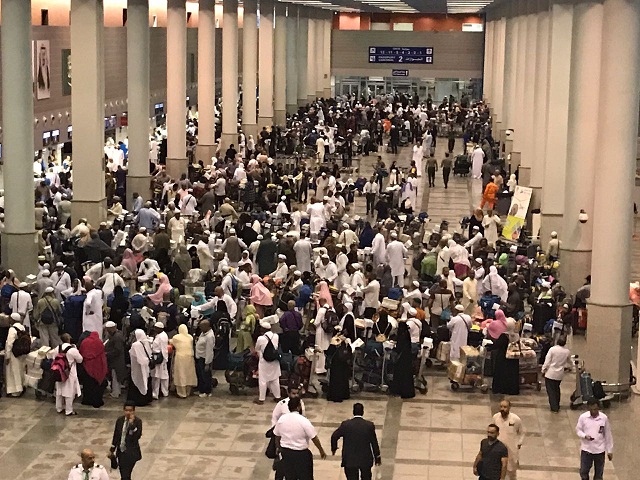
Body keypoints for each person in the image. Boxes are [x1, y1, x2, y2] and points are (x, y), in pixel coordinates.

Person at [274, 396, 327, 480]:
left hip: (286, 453)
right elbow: (314, 437)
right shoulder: (303, 420)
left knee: (290, 476)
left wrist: (278, 448)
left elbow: (277, 436)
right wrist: (321, 450)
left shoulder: (282, 419)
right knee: (306, 476)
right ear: (298, 407)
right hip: (301, 454)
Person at [331, 403, 381, 480]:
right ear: (363, 412)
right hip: (365, 459)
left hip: (350, 459)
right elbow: (374, 442)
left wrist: (334, 448)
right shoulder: (369, 426)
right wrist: (377, 457)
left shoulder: (346, 425)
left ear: (353, 411)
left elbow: (334, 436)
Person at [576, 398, 614, 480]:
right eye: (591, 409)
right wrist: (584, 436)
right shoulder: (583, 417)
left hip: (599, 450)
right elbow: (578, 430)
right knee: (584, 471)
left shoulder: (604, 418)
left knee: (599, 474)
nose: (593, 411)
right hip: (586, 449)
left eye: (595, 409)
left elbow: (608, 434)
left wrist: (609, 450)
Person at [492, 399, 524, 480]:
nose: (502, 409)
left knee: (511, 470)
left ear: (509, 407)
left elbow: (521, 432)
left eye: (505, 407)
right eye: (501, 406)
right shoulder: (495, 417)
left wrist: (519, 443)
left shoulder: (516, 419)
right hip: (498, 447)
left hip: (511, 448)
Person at [488, 318, 520, 395]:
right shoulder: (516, 335)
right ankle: (512, 389)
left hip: (503, 358)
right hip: (513, 358)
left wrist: (488, 346)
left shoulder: (504, 335)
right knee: (512, 374)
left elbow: (498, 345)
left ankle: (500, 389)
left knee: (501, 374)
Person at [542, 336, 573, 413]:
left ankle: (554, 407)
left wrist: (543, 370)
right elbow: (570, 362)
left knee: (551, 391)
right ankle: (557, 405)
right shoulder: (567, 351)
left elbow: (547, 361)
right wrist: (571, 368)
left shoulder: (552, 349)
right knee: (556, 389)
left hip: (550, 373)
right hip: (559, 374)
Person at [78, 331, 108, 408]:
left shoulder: (85, 342)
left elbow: (81, 352)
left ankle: (87, 400)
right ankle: (96, 401)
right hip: (97, 366)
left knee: (87, 385)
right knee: (96, 385)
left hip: (87, 366)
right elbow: (102, 352)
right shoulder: (99, 342)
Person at [56, 334, 84, 415]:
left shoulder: (57, 348)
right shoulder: (72, 350)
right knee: (69, 392)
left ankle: (59, 408)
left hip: (59, 371)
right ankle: (68, 410)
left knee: (59, 391)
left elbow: (54, 357)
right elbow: (80, 360)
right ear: (69, 339)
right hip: (69, 373)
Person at [254, 322, 282, 404]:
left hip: (264, 363)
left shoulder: (260, 338)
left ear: (262, 329)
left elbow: (257, 348)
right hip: (274, 361)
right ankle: (277, 397)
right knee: (275, 379)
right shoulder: (276, 336)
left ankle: (261, 399)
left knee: (263, 380)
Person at [169, 324, 198, 398]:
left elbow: (171, 342)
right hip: (189, 357)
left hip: (180, 357)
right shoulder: (190, 337)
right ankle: (188, 392)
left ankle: (181, 393)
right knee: (189, 374)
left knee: (180, 373)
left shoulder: (176, 337)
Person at [390, 320, 415, 399]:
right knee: (407, 376)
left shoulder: (401, 335)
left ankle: (398, 390)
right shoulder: (407, 334)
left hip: (401, 360)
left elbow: (399, 347)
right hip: (407, 359)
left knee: (400, 375)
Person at [127, 329, 152, 406]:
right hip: (145, 366)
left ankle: (138, 400)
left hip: (137, 367)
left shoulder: (136, 345)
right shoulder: (146, 342)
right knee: (145, 381)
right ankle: (146, 399)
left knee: (137, 381)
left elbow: (135, 355)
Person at [326, 329, 352, 403]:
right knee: (343, 379)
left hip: (336, 363)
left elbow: (329, 352)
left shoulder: (334, 340)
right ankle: (344, 394)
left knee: (335, 380)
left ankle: (335, 396)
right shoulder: (346, 341)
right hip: (344, 363)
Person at [5, 320, 27, 396]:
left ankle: (16, 391)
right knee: (21, 371)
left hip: (13, 354)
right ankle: (22, 387)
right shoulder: (22, 328)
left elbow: (9, 343)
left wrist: (7, 355)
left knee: (13, 372)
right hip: (21, 353)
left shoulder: (12, 329)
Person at [104, 321, 126, 398]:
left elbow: (117, 350)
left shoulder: (117, 337)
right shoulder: (113, 335)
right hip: (114, 360)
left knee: (115, 377)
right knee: (114, 377)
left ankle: (116, 393)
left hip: (117, 361)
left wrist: (107, 354)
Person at [194, 319, 215, 398]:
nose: (200, 328)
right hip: (199, 357)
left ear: (207, 326)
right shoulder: (203, 333)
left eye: (201, 327)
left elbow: (209, 350)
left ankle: (207, 391)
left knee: (206, 376)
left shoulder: (210, 336)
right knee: (200, 375)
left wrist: (207, 363)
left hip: (205, 358)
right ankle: (201, 389)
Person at [150, 322, 169, 400]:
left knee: (158, 377)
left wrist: (164, 359)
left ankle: (158, 393)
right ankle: (159, 392)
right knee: (157, 376)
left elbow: (164, 349)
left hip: (160, 358)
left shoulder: (162, 336)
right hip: (158, 357)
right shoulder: (159, 335)